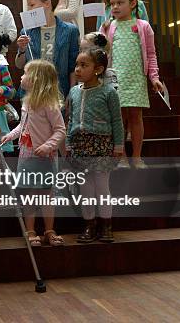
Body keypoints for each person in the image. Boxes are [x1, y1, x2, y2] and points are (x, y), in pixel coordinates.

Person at [0, 60, 66, 247]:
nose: (21, 76)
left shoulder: (49, 104)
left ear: (36, 80)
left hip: (44, 157)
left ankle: (49, 230)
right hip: (27, 155)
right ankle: (30, 230)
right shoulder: (27, 102)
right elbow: (24, 124)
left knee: (46, 194)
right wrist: (11, 135)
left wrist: (48, 145)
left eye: (25, 73)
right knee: (29, 193)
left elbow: (60, 130)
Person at [66, 38, 123, 243]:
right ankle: (89, 225)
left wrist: (118, 145)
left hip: (101, 145)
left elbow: (117, 120)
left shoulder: (108, 92)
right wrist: (68, 143)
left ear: (98, 69)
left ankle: (106, 225)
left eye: (84, 65)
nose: (78, 69)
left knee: (101, 186)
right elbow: (71, 119)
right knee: (86, 188)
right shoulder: (73, 92)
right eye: (77, 65)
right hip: (80, 145)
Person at [100, 0, 163, 169]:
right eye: (112, 4)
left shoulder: (143, 26)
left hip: (136, 78)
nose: (115, 7)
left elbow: (151, 54)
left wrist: (154, 77)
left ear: (133, 3)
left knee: (136, 116)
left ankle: (137, 156)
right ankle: (121, 157)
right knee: (118, 118)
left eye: (120, 3)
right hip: (115, 79)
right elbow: (102, 53)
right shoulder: (110, 26)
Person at [15, 0, 79, 98]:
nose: (29, 10)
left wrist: (71, 93)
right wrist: (22, 49)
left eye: (32, 5)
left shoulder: (70, 31)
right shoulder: (26, 31)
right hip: (32, 91)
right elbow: (19, 65)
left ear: (47, 3)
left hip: (58, 91)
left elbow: (73, 66)